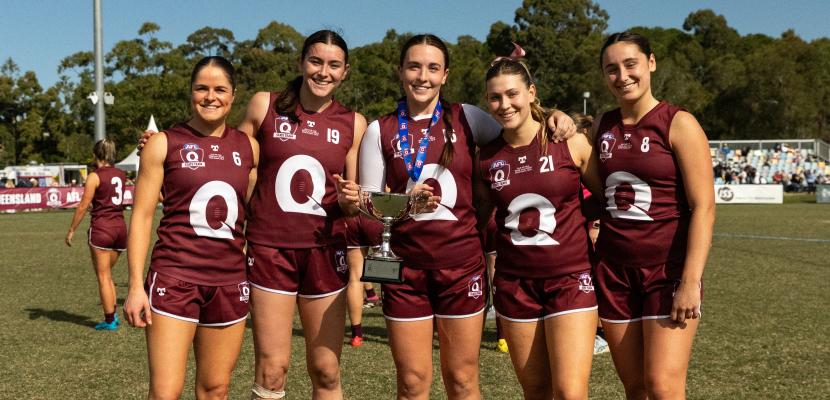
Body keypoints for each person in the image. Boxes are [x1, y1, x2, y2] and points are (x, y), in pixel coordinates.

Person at [354, 34, 575, 399]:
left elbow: (519, 133)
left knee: (462, 380)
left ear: (445, 75)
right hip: (405, 272)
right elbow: (372, 210)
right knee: (411, 384)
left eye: (433, 68)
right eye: (414, 66)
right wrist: (393, 203)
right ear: (400, 72)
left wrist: (553, 116)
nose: (423, 76)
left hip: (461, 269)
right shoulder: (381, 129)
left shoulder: (468, 117)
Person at [238, 30, 365, 400]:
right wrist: (166, 143)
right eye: (315, 61)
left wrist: (349, 199)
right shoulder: (265, 105)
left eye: (333, 65)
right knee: (272, 370)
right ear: (301, 63)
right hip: (270, 250)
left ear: (345, 72)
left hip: (325, 252)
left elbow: (353, 203)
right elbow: (227, 154)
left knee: (326, 371)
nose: (323, 71)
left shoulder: (354, 124)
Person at [123, 55, 259, 399]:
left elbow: (254, 212)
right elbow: (140, 217)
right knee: (166, 392)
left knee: (216, 389)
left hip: (229, 282)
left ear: (233, 95)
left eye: (219, 89)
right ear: (190, 92)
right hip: (175, 278)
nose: (210, 97)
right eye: (201, 88)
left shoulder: (249, 147)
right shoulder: (163, 143)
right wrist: (136, 286)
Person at [593, 31, 715, 399]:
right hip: (614, 273)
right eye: (611, 69)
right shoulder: (603, 124)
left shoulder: (678, 122)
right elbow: (599, 194)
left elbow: (704, 207)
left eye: (631, 64)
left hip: (667, 273)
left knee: (663, 386)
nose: (622, 76)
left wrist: (690, 281)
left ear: (651, 62)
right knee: (635, 387)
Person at [475, 57, 601, 400]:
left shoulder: (569, 141)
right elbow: (476, 217)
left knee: (570, 392)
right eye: (495, 98)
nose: (504, 105)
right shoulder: (485, 158)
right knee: (536, 391)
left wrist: (584, 221)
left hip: (571, 278)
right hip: (516, 284)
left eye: (512, 94)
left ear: (531, 93)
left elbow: (606, 196)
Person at [65, 139, 128, 331]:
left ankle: (110, 320)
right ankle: (113, 315)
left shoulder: (94, 176)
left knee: (103, 276)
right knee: (108, 276)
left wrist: (72, 230)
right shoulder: (121, 174)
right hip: (120, 229)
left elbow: (84, 205)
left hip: (102, 229)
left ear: (95, 155)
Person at [344, 214, 383, 347]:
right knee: (390, 275)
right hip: (375, 214)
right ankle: (400, 326)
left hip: (351, 216)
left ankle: (357, 335)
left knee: (355, 277)